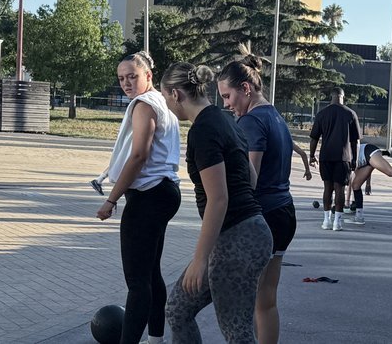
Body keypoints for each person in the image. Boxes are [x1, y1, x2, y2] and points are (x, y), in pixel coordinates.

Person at [161, 62, 273, 344]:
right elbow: (252, 178)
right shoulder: (225, 121)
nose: (168, 106)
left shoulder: (203, 130)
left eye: (165, 99)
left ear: (176, 94)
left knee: (238, 332)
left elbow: (219, 199)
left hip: (239, 239)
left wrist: (200, 260)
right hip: (247, 235)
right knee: (177, 309)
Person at [216, 52, 311, 344]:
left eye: (227, 95)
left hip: (264, 217)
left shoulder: (252, 122)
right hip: (283, 213)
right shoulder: (274, 115)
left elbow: (249, 178)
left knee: (244, 301)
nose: (226, 104)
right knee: (265, 300)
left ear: (246, 88)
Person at [94, 52, 182, 344]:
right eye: (121, 78)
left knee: (137, 282)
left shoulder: (145, 105)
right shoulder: (163, 103)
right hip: (163, 192)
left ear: (148, 75)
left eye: (133, 76)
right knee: (151, 273)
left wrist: (111, 200)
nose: (127, 83)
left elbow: (139, 155)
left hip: (148, 196)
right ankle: (155, 339)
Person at [309, 86, 360, 232]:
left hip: (326, 156)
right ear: (343, 97)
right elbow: (355, 141)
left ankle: (326, 220)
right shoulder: (350, 114)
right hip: (344, 157)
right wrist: (354, 160)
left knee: (327, 188)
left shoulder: (322, 114)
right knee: (340, 189)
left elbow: (314, 138)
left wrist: (312, 156)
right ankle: (337, 222)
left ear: (331, 97)